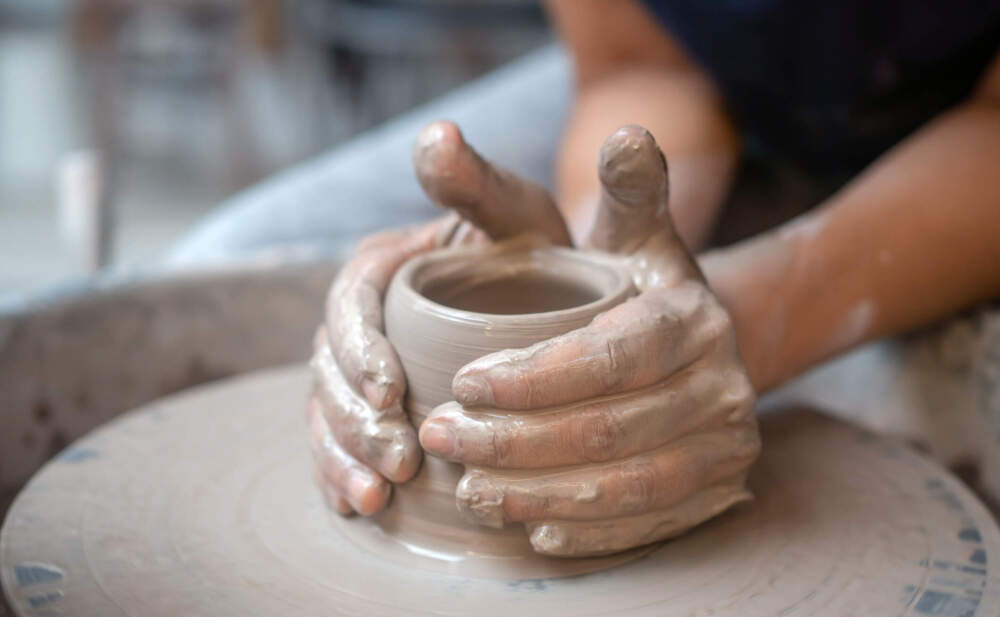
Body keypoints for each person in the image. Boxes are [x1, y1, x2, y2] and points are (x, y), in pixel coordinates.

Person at [303, 0, 1000, 554]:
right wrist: (591, 268)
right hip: (740, 97)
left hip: (973, 125)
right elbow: (638, 67)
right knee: (236, 254)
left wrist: (763, 316)